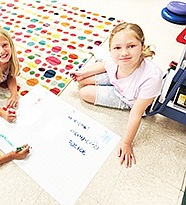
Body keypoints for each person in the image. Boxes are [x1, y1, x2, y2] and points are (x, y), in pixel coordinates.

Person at [70, 22, 163, 168]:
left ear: (142, 47)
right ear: (111, 51)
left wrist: (126, 143)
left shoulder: (152, 77)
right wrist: (83, 72)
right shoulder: (116, 60)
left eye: (131, 46)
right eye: (117, 48)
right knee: (82, 80)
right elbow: (105, 65)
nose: (124, 53)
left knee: (84, 92)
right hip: (117, 80)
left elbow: (136, 113)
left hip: (128, 99)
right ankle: (92, 74)